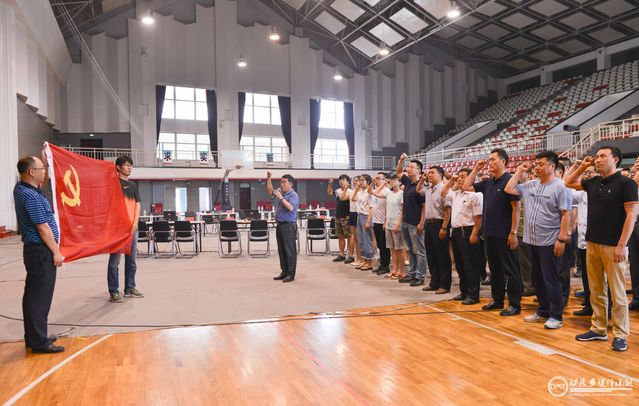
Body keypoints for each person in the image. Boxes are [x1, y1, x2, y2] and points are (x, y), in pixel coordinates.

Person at [565, 146, 638, 352]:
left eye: (602, 156)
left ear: (615, 159)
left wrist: (622, 245)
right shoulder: (594, 182)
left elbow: (631, 215)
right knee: (596, 291)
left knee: (618, 293)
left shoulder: (626, 183)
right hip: (592, 244)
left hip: (614, 246)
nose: (597, 159)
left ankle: (621, 334)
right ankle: (598, 328)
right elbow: (568, 182)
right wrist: (583, 166)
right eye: (596, 156)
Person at [506, 150, 572, 330]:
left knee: (551, 279)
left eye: (541, 164)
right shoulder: (531, 184)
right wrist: (519, 171)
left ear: (552, 166)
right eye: (536, 164)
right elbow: (509, 189)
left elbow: (565, 215)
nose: (537, 167)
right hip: (531, 240)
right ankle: (543, 311)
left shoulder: (560, 187)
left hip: (550, 241)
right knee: (537, 279)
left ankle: (556, 315)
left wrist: (561, 239)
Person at [14, 155, 65, 353]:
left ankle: (34, 337)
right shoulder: (31, 196)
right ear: (31, 172)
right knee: (40, 298)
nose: (45, 172)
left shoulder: (22, 188)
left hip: (34, 250)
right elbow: (43, 228)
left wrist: (46, 160)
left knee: (32, 295)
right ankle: (39, 343)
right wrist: (56, 252)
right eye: (41, 168)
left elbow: (43, 180)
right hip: (41, 251)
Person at [464, 148, 522, 316]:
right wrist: (476, 169)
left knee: (511, 270)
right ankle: (497, 300)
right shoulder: (488, 182)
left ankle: (514, 304)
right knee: (495, 270)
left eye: (492, 159)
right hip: (490, 234)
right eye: (489, 159)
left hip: (505, 234)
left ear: (503, 161)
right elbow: (466, 186)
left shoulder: (510, 181)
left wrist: (513, 233)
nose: (489, 162)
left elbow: (516, 208)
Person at [440, 169, 483, 304]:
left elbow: (478, 217)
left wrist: (475, 233)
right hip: (456, 232)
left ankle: (473, 294)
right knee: (460, 264)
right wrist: (452, 180)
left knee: (470, 264)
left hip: (468, 231)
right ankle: (464, 291)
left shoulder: (476, 195)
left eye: (463, 177)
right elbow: (443, 193)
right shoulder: (456, 194)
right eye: (458, 177)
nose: (459, 179)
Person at [107, 156, 143, 303]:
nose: (129, 168)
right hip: (117, 229)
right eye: (126, 165)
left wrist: (135, 223)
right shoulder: (113, 184)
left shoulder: (133, 185)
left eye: (130, 165)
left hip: (132, 228)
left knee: (131, 260)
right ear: (118, 167)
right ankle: (114, 291)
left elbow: (138, 204)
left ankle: (130, 287)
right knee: (115, 261)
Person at [417, 166, 452, 294]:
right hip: (429, 224)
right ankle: (434, 282)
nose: (429, 175)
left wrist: (444, 227)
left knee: (442, 255)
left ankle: (444, 284)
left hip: (440, 223)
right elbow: (418, 189)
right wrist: (423, 179)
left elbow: (447, 210)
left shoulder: (444, 189)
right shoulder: (428, 189)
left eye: (432, 173)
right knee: (431, 255)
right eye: (429, 173)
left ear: (440, 175)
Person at [396, 153, 427, 287]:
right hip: (406, 221)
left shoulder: (422, 185)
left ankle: (420, 276)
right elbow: (398, 172)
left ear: (419, 170)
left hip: (416, 223)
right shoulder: (408, 182)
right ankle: (412, 273)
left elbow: (424, 206)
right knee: (409, 250)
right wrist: (401, 160)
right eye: (408, 167)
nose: (408, 169)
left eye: (411, 167)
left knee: (419, 250)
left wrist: (421, 222)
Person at [267, 172, 299, 283]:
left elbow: (290, 208)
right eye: (281, 182)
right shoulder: (280, 191)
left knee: (290, 251)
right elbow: (270, 191)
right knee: (282, 251)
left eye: (284, 182)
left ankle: (291, 274)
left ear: (290, 184)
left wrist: (281, 198)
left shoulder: (293, 195)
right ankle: (284, 271)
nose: (281, 184)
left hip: (288, 226)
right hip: (280, 225)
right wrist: (269, 178)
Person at [373, 174, 404, 279]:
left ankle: (400, 271)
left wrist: (398, 224)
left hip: (396, 224)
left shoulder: (401, 194)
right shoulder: (389, 193)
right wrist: (384, 184)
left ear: (399, 182)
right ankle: (393, 270)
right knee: (392, 249)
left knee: (399, 249)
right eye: (391, 180)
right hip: (389, 225)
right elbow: (375, 192)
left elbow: (402, 211)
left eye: (395, 180)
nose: (392, 182)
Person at [352, 174, 375, 271]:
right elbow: (353, 199)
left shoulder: (369, 192)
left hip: (366, 217)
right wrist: (356, 188)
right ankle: (364, 260)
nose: (360, 182)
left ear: (368, 182)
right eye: (359, 180)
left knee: (367, 241)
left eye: (362, 180)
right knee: (361, 240)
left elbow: (372, 208)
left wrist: (368, 221)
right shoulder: (360, 192)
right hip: (359, 216)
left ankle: (369, 262)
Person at [327, 175, 352, 262]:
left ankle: (351, 255)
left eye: (343, 180)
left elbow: (343, 199)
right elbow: (330, 192)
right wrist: (330, 184)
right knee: (340, 236)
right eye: (340, 180)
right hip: (338, 216)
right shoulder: (338, 191)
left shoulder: (350, 191)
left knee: (349, 236)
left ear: (348, 182)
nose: (341, 181)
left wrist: (345, 189)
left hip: (346, 217)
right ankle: (341, 254)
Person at [371, 173, 390, 274]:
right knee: (379, 245)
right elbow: (371, 192)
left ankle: (385, 265)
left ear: (385, 180)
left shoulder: (387, 191)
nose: (376, 180)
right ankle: (382, 264)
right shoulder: (376, 190)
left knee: (384, 245)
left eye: (379, 178)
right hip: (376, 221)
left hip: (383, 222)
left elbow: (388, 209)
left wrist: (385, 222)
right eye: (376, 178)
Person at [345, 176, 361, 265]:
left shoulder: (361, 192)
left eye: (356, 180)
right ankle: (357, 258)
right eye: (354, 181)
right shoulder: (351, 191)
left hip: (358, 213)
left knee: (359, 238)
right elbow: (343, 197)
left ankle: (361, 258)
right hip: (352, 213)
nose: (355, 182)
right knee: (354, 237)